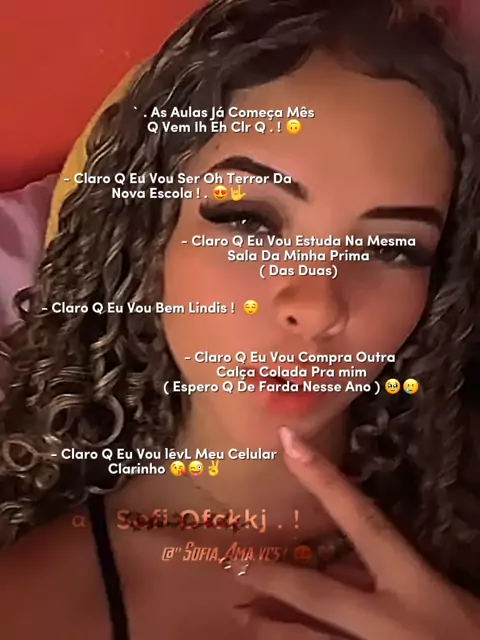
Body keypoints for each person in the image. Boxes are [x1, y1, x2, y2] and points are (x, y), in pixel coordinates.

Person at [1, 0, 480, 638]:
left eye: (392, 248)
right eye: (249, 220)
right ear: (148, 236)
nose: (316, 306)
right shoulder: (31, 607)